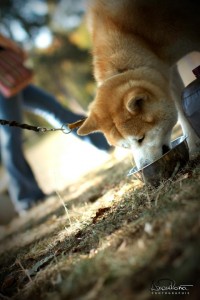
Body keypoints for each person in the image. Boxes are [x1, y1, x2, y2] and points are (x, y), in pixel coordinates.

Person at [0, 34, 110, 214]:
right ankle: (27, 198)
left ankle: (105, 141)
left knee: (55, 109)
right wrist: (10, 45)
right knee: (12, 135)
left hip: (8, 73)